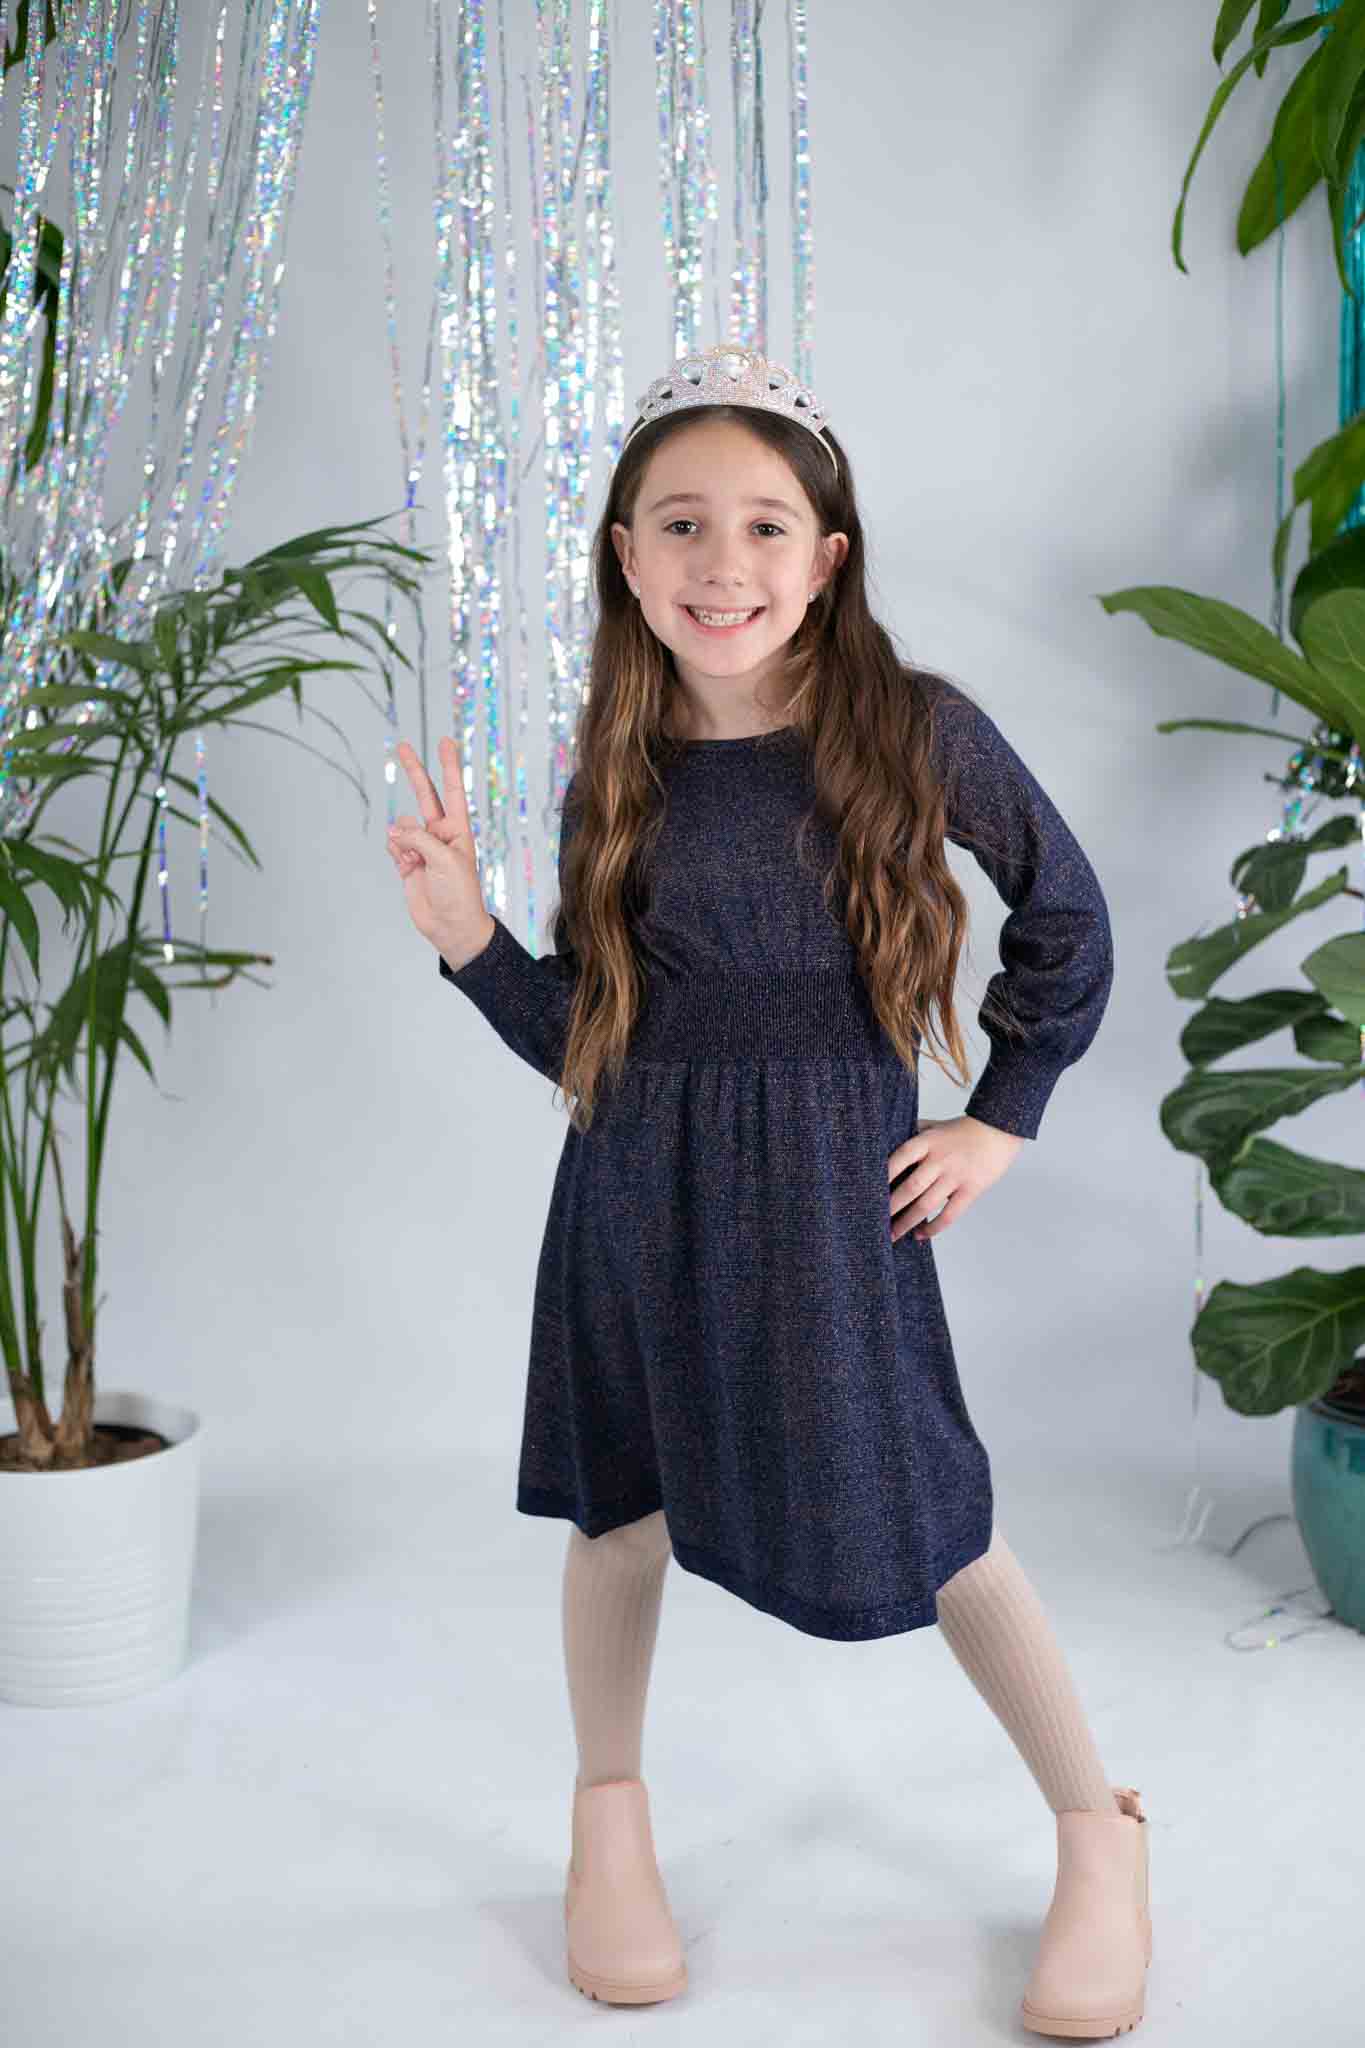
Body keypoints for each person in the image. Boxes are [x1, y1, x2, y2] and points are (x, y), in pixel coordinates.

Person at [386, 343, 1151, 2036]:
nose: (719, 562)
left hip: (823, 1201)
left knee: (929, 1511)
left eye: (761, 525)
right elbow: (595, 1044)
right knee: (623, 1503)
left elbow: (1068, 917)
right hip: (630, 1194)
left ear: (825, 557)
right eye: (678, 524)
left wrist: (999, 1117)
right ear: (624, 555)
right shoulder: (617, 762)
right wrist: (469, 940)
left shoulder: (915, 731)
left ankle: (1098, 1832)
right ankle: (607, 1822)